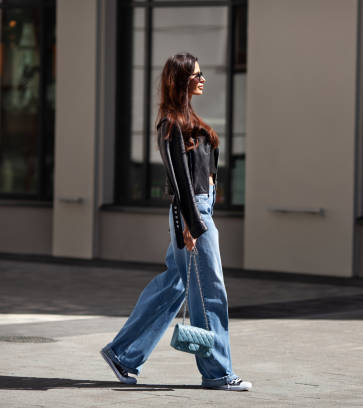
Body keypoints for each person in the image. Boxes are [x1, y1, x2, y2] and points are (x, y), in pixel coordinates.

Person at [100, 52, 252, 392]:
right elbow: (180, 179)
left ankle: (123, 354)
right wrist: (191, 224)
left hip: (199, 210)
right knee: (211, 293)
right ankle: (217, 373)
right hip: (192, 214)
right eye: (196, 74)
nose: (202, 79)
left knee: (174, 287)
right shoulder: (170, 124)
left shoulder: (188, 118)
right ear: (180, 80)